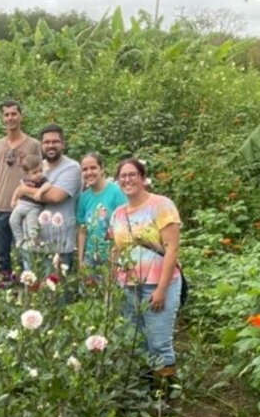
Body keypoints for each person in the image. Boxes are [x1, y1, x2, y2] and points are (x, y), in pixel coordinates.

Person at [108, 157, 183, 403]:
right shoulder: (118, 214)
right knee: (136, 341)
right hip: (128, 286)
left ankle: (166, 397)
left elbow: (171, 249)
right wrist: (111, 284)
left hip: (159, 283)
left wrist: (161, 289)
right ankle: (145, 393)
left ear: (142, 177)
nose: (127, 179)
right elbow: (115, 250)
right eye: (123, 176)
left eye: (132, 175)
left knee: (159, 342)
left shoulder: (161, 205)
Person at [11, 124, 81, 272]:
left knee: (56, 292)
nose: (50, 145)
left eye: (55, 141)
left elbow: (55, 196)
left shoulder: (72, 168)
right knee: (31, 291)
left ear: (63, 144)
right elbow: (20, 192)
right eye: (46, 142)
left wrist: (24, 190)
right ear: (41, 145)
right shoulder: (38, 166)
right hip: (31, 244)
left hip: (57, 246)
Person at [0, 100, 41, 273]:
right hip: (0, 206)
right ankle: (5, 289)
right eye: (6, 114)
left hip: (24, 206)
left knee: (24, 254)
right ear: (2, 118)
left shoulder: (33, 145)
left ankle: (25, 292)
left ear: (21, 116)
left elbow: (40, 174)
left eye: (14, 114)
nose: (10, 118)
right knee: (2, 254)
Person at [76, 153, 126, 270]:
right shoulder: (83, 198)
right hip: (90, 257)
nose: (89, 172)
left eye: (93, 168)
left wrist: (116, 257)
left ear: (102, 168)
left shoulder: (117, 192)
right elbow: (82, 230)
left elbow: (125, 226)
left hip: (112, 257)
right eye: (85, 169)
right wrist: (80, 259)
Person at [8, 154, 49, 268]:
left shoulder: (43, 180)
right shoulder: (25, 180)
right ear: (27, 173)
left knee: (32, 226)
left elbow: (48, 185)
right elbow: (18, 189)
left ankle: (33, 241)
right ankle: (19, 240)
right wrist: (14, 199)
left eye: (40, 171)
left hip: (34, 207)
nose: (38, 174)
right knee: (13, 221)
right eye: (35, 172)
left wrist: (40, 192)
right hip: (22, 205)